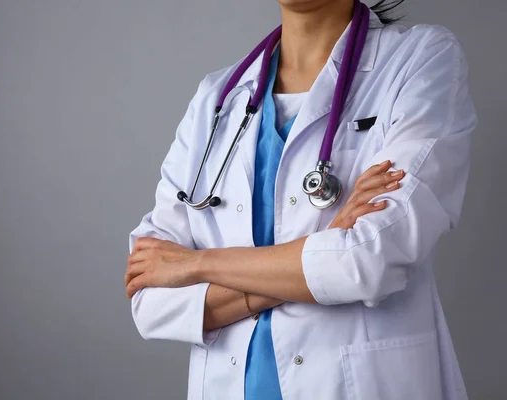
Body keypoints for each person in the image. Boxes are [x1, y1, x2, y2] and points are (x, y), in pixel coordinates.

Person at [125, 0, 478, 398]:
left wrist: (196, 265)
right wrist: (327, 250)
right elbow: (151, 298)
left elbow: (370, 260)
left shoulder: (419, 60)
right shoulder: (216, 98)